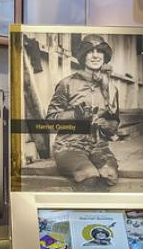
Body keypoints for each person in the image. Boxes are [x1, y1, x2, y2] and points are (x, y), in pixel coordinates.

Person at [46, 34, 120, 192]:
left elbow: (114, 125)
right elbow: (50, 122)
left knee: (110, 174)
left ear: (105, 55)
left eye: (99, 51)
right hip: (68, 147)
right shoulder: (67, 84)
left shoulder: (112, 89)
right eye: (90, 51)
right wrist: (75, 115)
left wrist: (107, 124)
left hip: (99, 148)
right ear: (82, 55)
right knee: (89, 177)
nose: (95, 55)